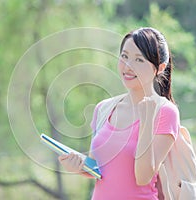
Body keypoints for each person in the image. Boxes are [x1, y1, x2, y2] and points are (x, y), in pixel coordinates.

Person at [58, 27, 180, 200]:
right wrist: (78, 166)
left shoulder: (165, 112)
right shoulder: (104, 108)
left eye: (139, 60)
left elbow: (143, 177)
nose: (128, 66)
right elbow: (99, 170)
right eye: (124, 56)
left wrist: (146, 122)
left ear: (160, 68)